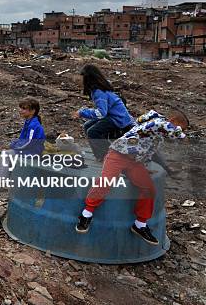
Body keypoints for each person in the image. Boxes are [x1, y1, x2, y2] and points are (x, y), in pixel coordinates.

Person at [76, 109, 189, 245]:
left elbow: (147, 150)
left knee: (149, 189)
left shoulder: (157, 132)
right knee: (106, 182)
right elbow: (168, 128)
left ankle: (140, 224)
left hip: (134, 162)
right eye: (180, 127)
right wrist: (182, 136)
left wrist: (145, 168)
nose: (179, 130)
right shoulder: (159, 123)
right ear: (173, 121)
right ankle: (86, 214)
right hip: (117, 155)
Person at [72, 64, 134, 161]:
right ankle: (100, 155)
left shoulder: (99, 92)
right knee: (87, 126)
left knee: (92, 131)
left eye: (82, 78)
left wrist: (82, 112)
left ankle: (111, 155)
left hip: (118, 118)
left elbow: (101, 113)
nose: (79, 80)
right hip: (112, 115)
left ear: (88, 79)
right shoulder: (96, 90)